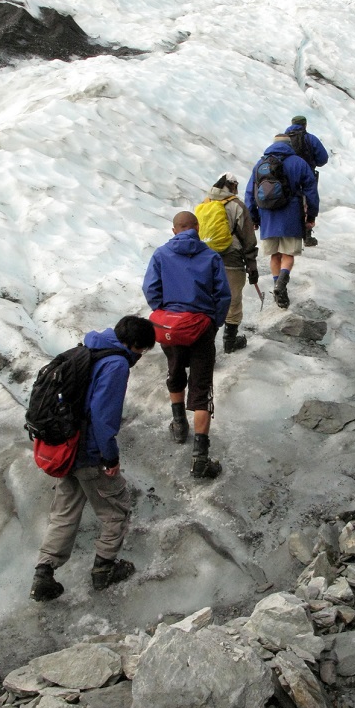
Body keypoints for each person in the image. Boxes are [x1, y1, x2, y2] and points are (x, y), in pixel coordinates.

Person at [30, 315, 156, 602]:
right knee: (116, 509)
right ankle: (104, 569)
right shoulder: (116, 364)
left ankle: (43, 573)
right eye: (142, 351)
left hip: (65, 447)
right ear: (135, 345)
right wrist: (109, 458)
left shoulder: (88, 349)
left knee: (64, 512)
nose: (140, 357)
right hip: (88, 453)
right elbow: (102, 416)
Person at [142, 211, 231, 479]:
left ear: (174, 230)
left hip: (170, 328)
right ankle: (200, 458)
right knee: (201, 386)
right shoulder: (211, 256)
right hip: (201, 326)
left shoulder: (160, 254)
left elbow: (151, 289)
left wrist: (165, 315)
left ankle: (179, 424)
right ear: (197, 228)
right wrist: (212, 323)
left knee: (175, 371)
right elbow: (222, 295)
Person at [245, 133, 319, 310]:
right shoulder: (298, 162)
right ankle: (281, 286)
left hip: (267, 216)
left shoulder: (260, 164)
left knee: (275, 255)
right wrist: (312, 216)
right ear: (289, 144)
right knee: (288, 255)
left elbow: (250, 193)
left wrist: (253, 218)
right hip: (291, 214)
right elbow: (311, 190)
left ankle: (278, 287)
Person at [198, 173, 259, 354]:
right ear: (232, 185)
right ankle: (229, 341)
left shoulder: (205, 203)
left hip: (207, 259)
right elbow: (248, 238)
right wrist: (251, 264)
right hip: (231, 258)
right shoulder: (236, 205)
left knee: (209, 299)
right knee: (233, 299)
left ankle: (205, 344)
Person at [284, 115, 328, 246]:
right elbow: (323, 158)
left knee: (289, 201)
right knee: (309, 200)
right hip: (307, 174)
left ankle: (288, 233)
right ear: (305, 125)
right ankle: (307, 233)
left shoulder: (284, 139)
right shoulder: (310, 138)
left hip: (287, 176)